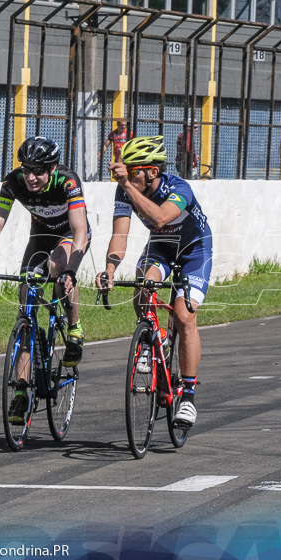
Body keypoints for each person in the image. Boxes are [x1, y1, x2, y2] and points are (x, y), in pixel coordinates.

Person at [95, 136, 213, 429]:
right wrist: (109, 269)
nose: (127, 174)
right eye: (127, 169)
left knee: (185, 317)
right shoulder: (125, 191)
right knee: (143, 285)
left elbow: (160, 218)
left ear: (153, 172)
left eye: (134, 170)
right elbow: (120, 236)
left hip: (193, 249)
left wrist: (126, 187)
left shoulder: (179, 189)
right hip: (161, 245)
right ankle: (153, 338)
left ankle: (188, 395)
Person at [0, 136, 90, 425]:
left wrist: (71, 271)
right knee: (26, 301)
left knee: (57, 269)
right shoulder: (13, 182)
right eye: (26, 169)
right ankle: (22, 391)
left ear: (51, 169)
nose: (31, 177)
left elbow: (79, 230)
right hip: (39, 237)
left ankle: (74, 328)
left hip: (71, 237)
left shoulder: (68, 181)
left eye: (38, 171)